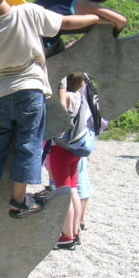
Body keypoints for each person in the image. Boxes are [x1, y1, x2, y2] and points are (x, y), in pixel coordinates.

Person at [0, 0, 106, 220]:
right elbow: (66, 23)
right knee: (28, 146)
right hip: (29, 92)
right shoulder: (28, 12)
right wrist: (96, 17)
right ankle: (19, 201)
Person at [35, 0, 127, 57]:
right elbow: (121, 20)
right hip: (40, 45)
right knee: (104, 25)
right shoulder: (84, 4)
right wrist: (113, 33)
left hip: (24, 30)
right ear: (100, 1)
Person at [45, 73, 87, 250]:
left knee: (63, 192)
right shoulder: (79, 96)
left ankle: (66, 235)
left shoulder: (66, 97)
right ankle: (75, 231)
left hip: (59, 148)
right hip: (74, 149)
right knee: (73, 190)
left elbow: (58, 109)